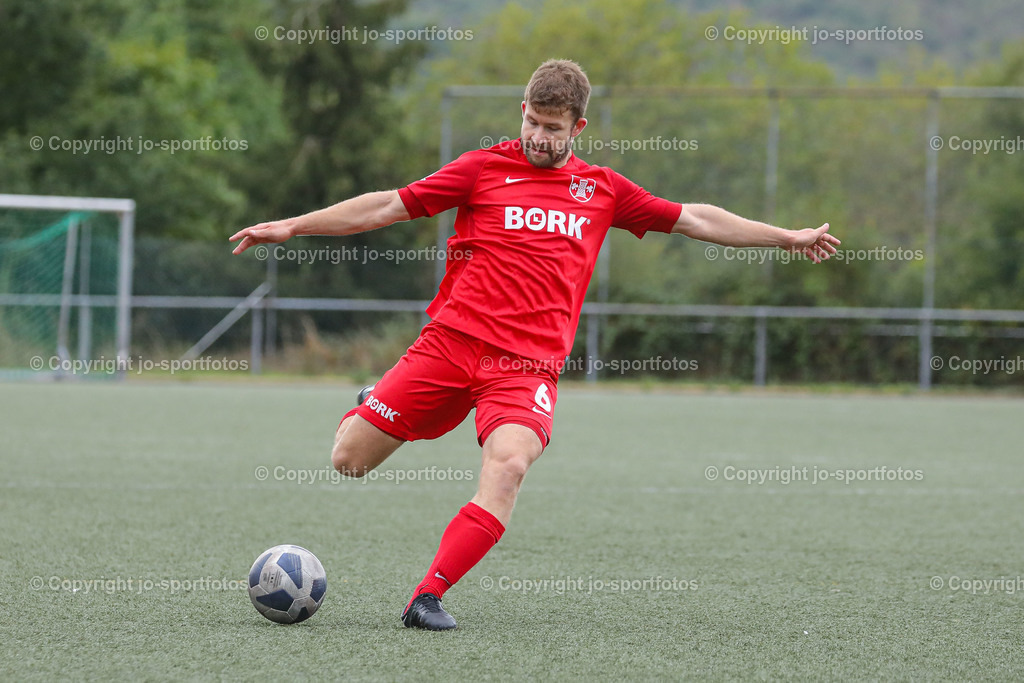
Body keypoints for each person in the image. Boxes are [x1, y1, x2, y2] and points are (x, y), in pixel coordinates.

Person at [230, 59, 840, 631]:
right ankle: (372, 401)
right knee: (350, 462)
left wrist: (786, 238)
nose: (539, 137)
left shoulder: (603, 190)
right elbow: (388, 206)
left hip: (524, 369)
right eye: (532, 122)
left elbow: (695, 218)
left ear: (578, 128)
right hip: (450, 346)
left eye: (553, 129)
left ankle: (427, 596)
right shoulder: (481, 169)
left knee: (510, 465)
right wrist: (294, 225)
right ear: (522, 110)